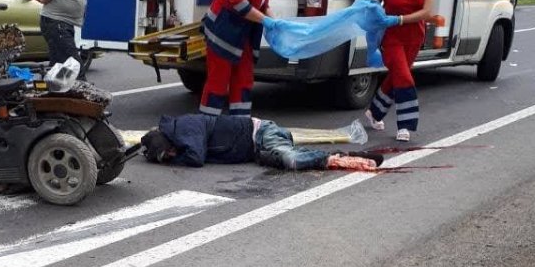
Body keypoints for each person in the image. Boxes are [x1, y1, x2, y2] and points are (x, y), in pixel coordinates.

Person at [200, 0, 285, 121]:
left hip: (243, 34)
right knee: (218, 81)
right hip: (222, 32)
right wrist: (266, 21)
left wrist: (275, 21)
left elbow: (264, 4)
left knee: (244, 80)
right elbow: (238, 4)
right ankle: (207, 124)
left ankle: (240, 124)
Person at [364, 0, 436, 142]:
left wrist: (401, 19)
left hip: (415, 36)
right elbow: (373, 6)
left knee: (396, 76)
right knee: (404, 77)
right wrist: (376, 15)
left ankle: (374, 113)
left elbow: (427, 11)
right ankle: (405, 125)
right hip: (391, 37)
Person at [141, 112, 382, 172]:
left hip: (261, 133)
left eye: (166, 153)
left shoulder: (186, 127)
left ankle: (340, 157)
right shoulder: (178, 135)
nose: (171, 156)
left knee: (291, 159)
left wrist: (172, 161)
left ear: (167, 141)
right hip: (257, 148)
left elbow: (195, 158)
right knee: (283, 159)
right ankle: (337, 157)